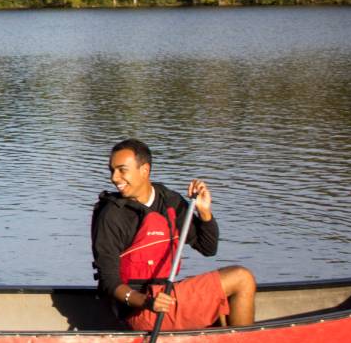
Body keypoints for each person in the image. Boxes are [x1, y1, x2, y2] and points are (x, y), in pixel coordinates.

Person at [91, 138, 257, 330]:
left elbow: (208, 248)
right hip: (138, 311)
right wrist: (146, 301)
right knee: (242, 278)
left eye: (122, 170)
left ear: (144, 170)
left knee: (230, 292)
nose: (114, 178)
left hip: (166, 297)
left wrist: (204, 213)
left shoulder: (169, 201)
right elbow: (108, 282)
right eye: (112, 170)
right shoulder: (111, 216)